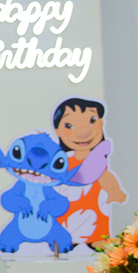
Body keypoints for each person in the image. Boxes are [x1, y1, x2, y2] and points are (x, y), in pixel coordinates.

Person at [52, 97, 126, 246]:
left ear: (101, 123)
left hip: (95, 210)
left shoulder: (97, 158)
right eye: (69, 125)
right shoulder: (62, 160)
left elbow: (104, 176)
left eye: (92, 120)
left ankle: (98, 240)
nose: (84, 132)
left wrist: (114, 189)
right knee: (64, 237)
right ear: (58, 131)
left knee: (100, 238)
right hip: (66, 212)